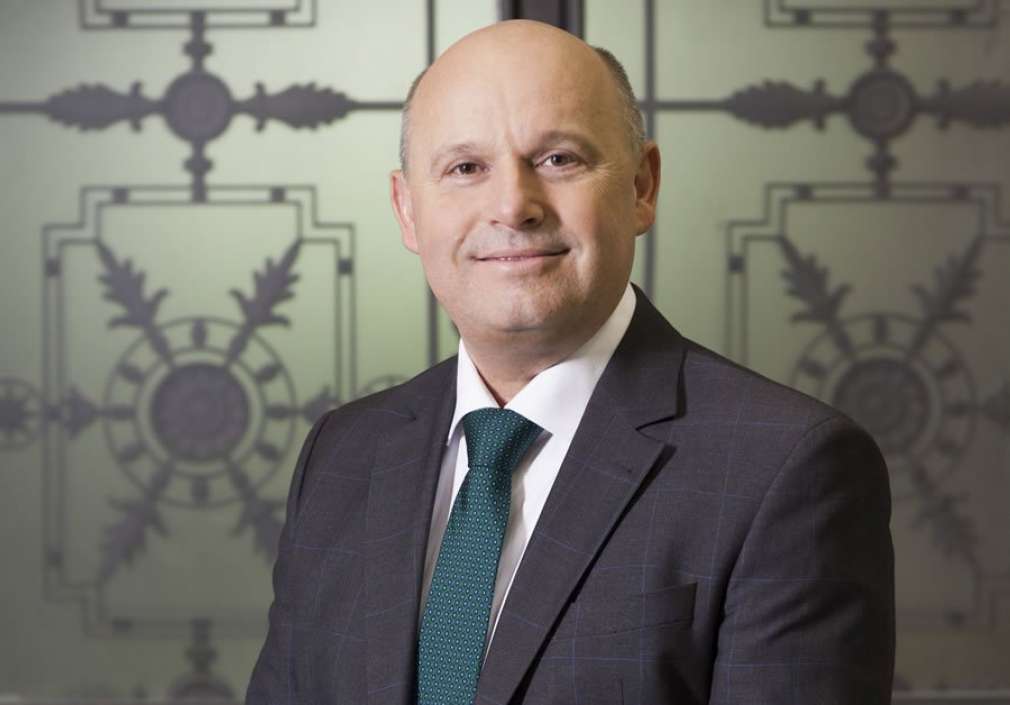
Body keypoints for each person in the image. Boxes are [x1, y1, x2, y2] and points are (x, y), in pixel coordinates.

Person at [247, 19, 894, 705]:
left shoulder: (787, 469)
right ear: (407, 210)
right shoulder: (342, 454)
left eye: (558, 159)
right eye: (466, 168)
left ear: (642, 186)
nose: (512, 206)